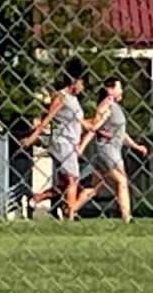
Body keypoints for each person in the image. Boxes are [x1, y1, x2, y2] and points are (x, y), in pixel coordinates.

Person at [20, 58, 96, 220]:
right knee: (73, 179)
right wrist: (32, 137)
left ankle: (35, 199)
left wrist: (99, 125)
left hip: (72, 143)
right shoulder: (61, 97)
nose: (82, 87)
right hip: (62, 143)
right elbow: (47, 119)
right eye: (81, 82)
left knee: (65, 184)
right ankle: (70, 214)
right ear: (74, 80)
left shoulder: (74, 100)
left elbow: (81, 122)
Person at [71, 77, 147, 222]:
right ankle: (127, 216)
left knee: (95, 186)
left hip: (114, 149)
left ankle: (70, 209)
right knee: (121, 180)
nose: (122, 90)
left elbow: (120, 133)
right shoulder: (105, 106)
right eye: (119, 87)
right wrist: (82, 146)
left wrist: (136, 146)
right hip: (107, 150)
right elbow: (94, 128)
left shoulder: (115, 107)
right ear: (110, 90)